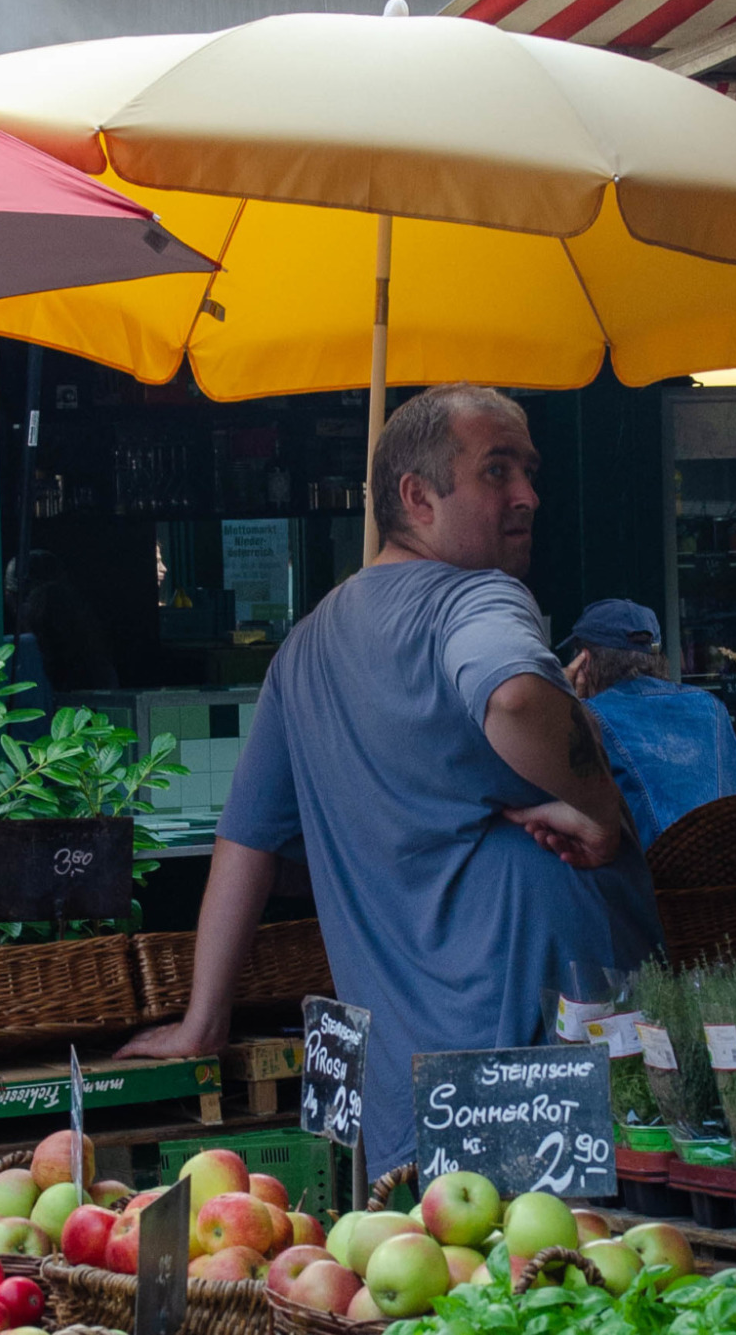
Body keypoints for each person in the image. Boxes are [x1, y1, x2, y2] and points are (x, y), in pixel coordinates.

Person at [118, 383, 663, 1169]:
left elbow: (244, 844)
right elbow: (511, 695)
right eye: (497, 471)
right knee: (580, 1283)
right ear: (415, 495)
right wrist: (601, 808)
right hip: (546, 1075)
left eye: (530, 471)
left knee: (453, 1285)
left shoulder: (302, 649)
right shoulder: (476, 598)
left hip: (417, 1099)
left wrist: (204, 1019)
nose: (529, 496)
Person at [563, 599, 736, 848]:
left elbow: (561, 799)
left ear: (585, 660)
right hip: (727, 868)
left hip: (651, 877)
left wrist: (565, 705)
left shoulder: (591, 716)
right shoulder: (712, 706)